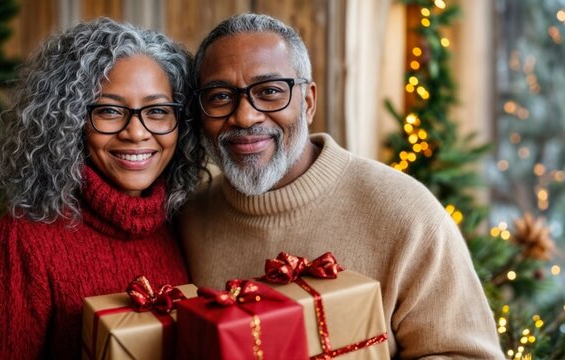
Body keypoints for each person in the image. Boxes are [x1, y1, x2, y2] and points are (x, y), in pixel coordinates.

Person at [178, 13, 502, 358]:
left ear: (308, 102)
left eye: (270, 91)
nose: (245, 116)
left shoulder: (406, 213)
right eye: (219, 97)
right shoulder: (190, 217)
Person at [0, 18, 203, 359]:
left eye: (157, 111)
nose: (137, 132)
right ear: (70, 121)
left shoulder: (182, 222)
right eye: (110, 110)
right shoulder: (21, 243)